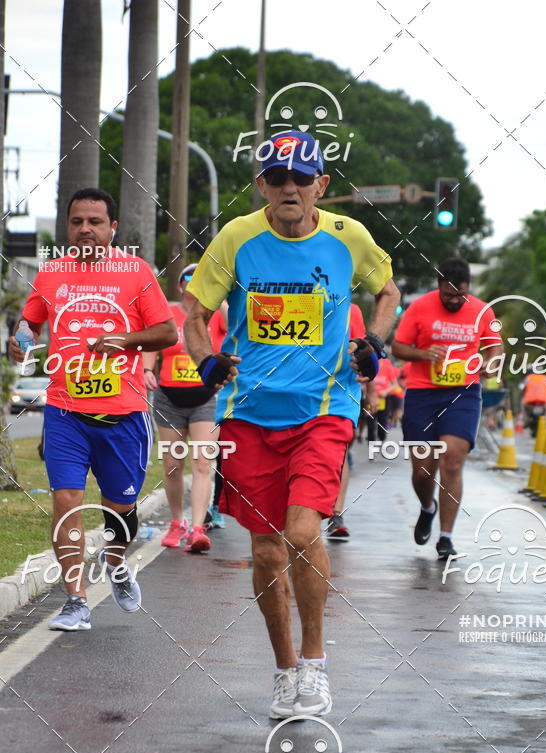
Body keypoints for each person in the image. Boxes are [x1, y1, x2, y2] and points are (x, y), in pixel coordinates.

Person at [183, 130, 399, 718]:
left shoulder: (347, 237)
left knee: (304, 535)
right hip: (249, 413)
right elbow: (195, 314)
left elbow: (389, 292)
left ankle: (316, 663)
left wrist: (373, 344)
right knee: (265, 551)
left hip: (324, 408)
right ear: (261, 186)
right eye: (277, 177)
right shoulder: (237, 238)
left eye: (302, 178)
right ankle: (284, 671)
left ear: (320, 186)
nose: (289, 188)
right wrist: (207, 359)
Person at [9, 188, 177, 630]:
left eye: (95, 222)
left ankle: (115, 560)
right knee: (66, 501)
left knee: (119, 512)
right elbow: (30, 322)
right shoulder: (50, 274)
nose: (85, 229)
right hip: (65, 411)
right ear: (68, 227)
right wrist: (20, 341)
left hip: (123, 415)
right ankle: (76, 602)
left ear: (112, 228)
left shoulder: (136, 272)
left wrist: (125, 340)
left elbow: (167, 333)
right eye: (77, 221)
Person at [391, 258, 503, 560]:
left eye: (460, 295)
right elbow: (398, 348)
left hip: (462, 394)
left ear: (469, 289)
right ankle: (428, 507)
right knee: (423, 471)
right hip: (422, 394)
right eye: (448, 295)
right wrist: (424, 354)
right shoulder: (420, 307)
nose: (454, 300)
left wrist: (491, 363)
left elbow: (495, 345)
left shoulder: (482, 310)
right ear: (438, 286)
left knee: (452, 461)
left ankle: (446, 537)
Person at [143, 264, 226, 552]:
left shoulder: (215, 314)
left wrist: (218, 291)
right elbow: (154, 342)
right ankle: (177, 522)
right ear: (179, 286)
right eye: (187, 280)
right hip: (169, 399)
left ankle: (198, 528)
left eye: (197, 281)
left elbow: (235, 323)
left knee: (203, 463)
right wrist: (147, 370)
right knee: (172, 465)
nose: (192, 287)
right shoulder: (168, 312)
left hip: (206, 398)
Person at [325, 302, 365, 541]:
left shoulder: (352, 310)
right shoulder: (293, 297)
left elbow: (361, 350)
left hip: (340, 393)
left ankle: (336, 514)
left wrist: (368, 387)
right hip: (296, 392)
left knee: (341, 452)